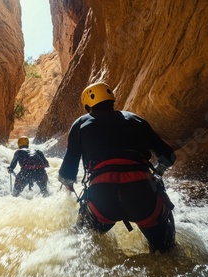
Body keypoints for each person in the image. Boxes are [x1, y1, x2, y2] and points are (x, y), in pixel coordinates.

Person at [58, 82, 176, 253]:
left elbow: (67, 172)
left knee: (80, 246)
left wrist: (68, 186)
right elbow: (168, 155)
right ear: (112, 100)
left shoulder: (80, 124)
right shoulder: (136, 120)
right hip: (143, 194)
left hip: (103, 198)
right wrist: (157, 173)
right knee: (167, 253)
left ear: (87, 106)